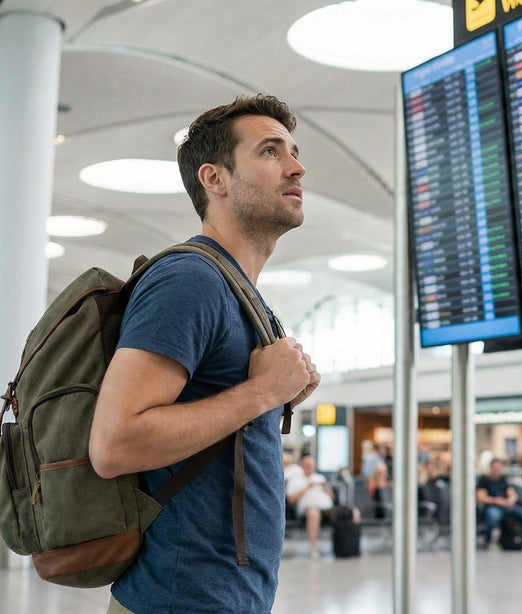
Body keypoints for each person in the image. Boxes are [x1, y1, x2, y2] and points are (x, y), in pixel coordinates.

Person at [89, 94, 320, 614]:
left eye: (293, 151)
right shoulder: (190, 280)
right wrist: (262, 390)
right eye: (270, 151)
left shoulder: (235, 287)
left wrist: (276, 391)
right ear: (214, 179)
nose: (297, 166)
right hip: (181, 598)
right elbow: (114, 443)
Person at [285, 454, 343, 557]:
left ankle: (346, 547)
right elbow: (290, 500)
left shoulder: (320, 478)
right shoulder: (295, 480)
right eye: (307, 465)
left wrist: (326, 488)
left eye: (312, 465)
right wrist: (306, 487)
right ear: (302, 466)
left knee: (349, 512)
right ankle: (314, 547)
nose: (310, 467)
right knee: (313, 512)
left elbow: (332, 498)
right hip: (307, 510)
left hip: (327, 509)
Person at [476, 458, 522, 549]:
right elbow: (481, 497)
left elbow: (512, 494)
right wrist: (497, 501)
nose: (497, 470)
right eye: (495, 467)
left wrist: (510, 501)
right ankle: (487, 539)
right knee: (492, 517)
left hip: (506, 506)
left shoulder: (503, 480)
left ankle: (519, 537)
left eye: (499, 468)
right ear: (491, 467)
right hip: (493, 506)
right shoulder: (484, 480)